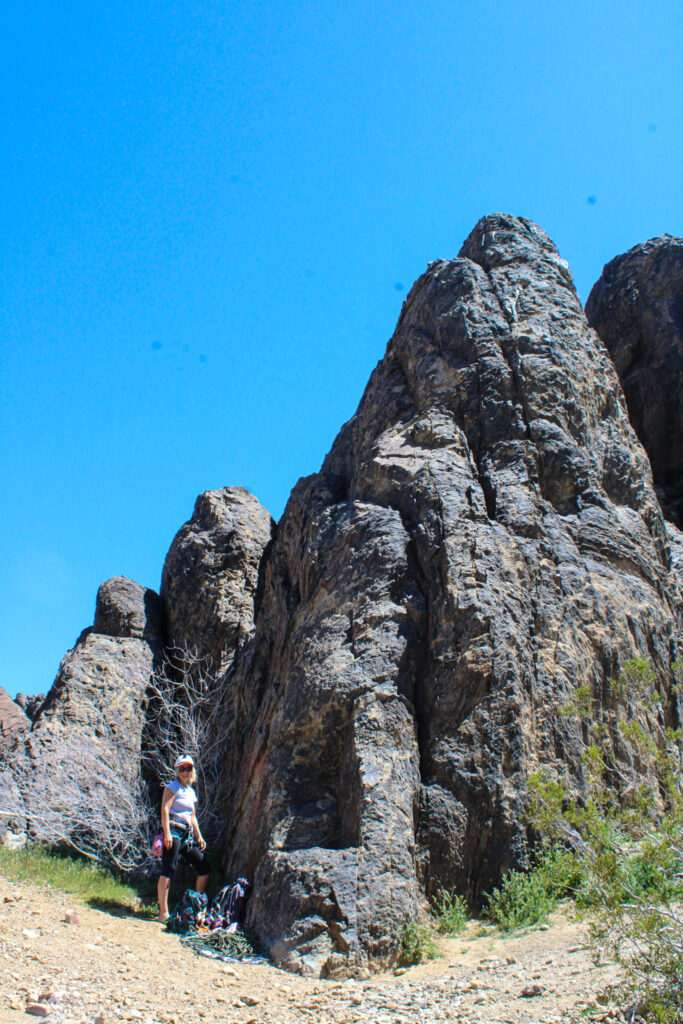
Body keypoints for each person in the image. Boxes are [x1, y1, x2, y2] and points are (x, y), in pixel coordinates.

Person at [156, 754, 211, 924]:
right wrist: (166, 834)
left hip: (186, 834)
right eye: (182, 769)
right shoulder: (172, 788)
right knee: (168, 869)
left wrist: (199, 836)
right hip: (173, 830)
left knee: (203, 867)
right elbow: (165, 810)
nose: (185, 772)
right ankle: (163, 913)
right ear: (177, 771)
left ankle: (196, 906)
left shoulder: (190, 792)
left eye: (188, 769)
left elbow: (192, 816)